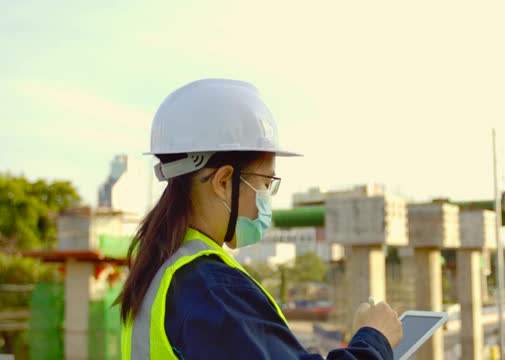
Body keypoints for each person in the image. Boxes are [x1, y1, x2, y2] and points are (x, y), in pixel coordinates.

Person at [116, 79, 402, 359]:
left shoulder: (163, 269)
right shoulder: (215, 291)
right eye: (266, 183)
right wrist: (374, 340)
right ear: (224, 182)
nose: (267, 197)